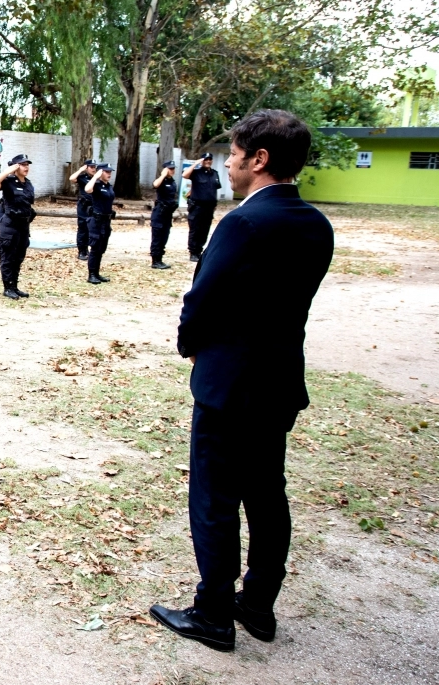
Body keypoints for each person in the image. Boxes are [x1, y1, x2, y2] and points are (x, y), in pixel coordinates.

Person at [150, 110, 334, 653]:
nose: (227, 165)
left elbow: (203, 299)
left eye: (233, 155)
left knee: (214, 499)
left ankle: (212, 613)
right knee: (267, 496)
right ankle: (257, 605)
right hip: (278, 382)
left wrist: (189, 345)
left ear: (260, 159)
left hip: (230, 385)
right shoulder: (314, 224)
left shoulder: (245, 223)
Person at [0, 154, 37, 299]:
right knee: (7, 257)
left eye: (27, 165)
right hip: (10, 224)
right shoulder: (8, 181)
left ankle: (14, 286)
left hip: (23, 225)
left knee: (18, 257)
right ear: (16, 167)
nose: (26, 167)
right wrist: (9, 171)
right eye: (23, 165)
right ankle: (7, 287)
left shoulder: (28, 184)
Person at [183, 152, 222, 262]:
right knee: (195, 229)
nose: (208, 161)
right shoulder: (196, 173)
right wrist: (195, 164)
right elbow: (185, 175)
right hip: (197, 206)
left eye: (210, 159)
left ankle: (199, 250)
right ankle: (193, 252)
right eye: (206, 159)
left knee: (205, 230)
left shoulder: (215, 173)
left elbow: (214, 189)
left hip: (209, 207)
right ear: (202, 161)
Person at [83, 163, 115, 284]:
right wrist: (95, 177)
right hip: (96, 221)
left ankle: (97, 273)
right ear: (100, 172)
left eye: (110, 172)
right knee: (95, 248)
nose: (109, 174)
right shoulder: (95, 185)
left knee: (101, 248)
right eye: (106, 172)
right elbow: (87, 189)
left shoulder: (108, 186)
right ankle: (91, 274)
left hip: (106, 221)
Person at [149, 161, 179, 270]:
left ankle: (160, 258)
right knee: (157, 237)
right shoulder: (162, 180)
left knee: (164, 236)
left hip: (168, 213)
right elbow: (155, 185)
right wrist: (162, 175)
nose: (172, 171)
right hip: (159, 213)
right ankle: (155, 260)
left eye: (173, 169)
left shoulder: (173, 182)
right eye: (170, 169)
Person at [68, 159, 96, 260]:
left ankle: (87, 249)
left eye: (94, 167)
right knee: (82, 228)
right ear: (86, 167)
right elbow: (71, 178)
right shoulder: (82, 177)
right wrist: (81, 170)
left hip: (93, 206)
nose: (93, 169)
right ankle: (81, 251)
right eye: (91, 167)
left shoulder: (96, 178)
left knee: (91, 228)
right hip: (83, 206)